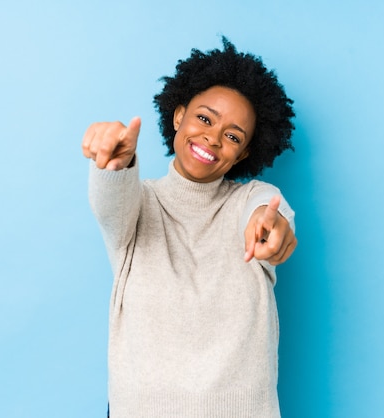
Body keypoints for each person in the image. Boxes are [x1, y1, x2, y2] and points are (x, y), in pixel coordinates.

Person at [82, 37, 297, 417]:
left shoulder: (251, 198)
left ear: (244, 152)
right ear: (179, 115)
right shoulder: (138, 204)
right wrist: (113, 164)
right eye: (204, 118)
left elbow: (268, 213)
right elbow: (111, 199)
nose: (213, 138)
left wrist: (272, 230)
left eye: (233, 136)